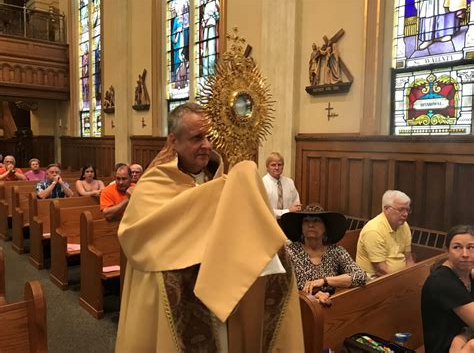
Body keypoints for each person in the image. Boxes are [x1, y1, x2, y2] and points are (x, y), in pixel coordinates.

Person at [116, 102, 304, 352]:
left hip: (221, 302)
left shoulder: (223, 183)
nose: (206, 145)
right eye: (196, 138)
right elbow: (139, 240)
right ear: (173, 140)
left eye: (209, 137)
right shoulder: (153, 186)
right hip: (176, 299)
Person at [281, 203, 367, 305]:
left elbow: (361, 277)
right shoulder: (290, 252)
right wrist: (312, 296)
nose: (310, 224)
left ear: (325, 227)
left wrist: (324, 281)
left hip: (332, 305)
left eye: (316, 220)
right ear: (301, 227)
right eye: (306, 221)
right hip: (299, 308)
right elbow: (283, 288)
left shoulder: (335, 251)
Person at [421, 224, 474, 353]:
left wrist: (462, 336)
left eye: (471, 247)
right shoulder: (442, 282)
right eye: (457, 247)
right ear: (447, 251)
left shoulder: (467, 273)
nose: (465, 254)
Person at [356, 190, 415, 278]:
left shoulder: (404, 225)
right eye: (401, 209)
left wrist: (413, 276)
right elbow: (380, 269)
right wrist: (404, 281)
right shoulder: (374, 230)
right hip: (375, 281)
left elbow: (408, 258)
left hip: (399, 277)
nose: (405, 214)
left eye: (407, 210)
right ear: (386, 209)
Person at [262, 152, 302, 219]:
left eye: (279, 165)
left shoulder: (289, 182)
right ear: (267, 167)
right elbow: (264, 210)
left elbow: (296, 204)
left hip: (288, 222)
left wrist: (297, 208)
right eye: (273, 165)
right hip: (269, 222)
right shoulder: (262, 183)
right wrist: (287, 211)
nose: (277, 168)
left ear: (283, 166)